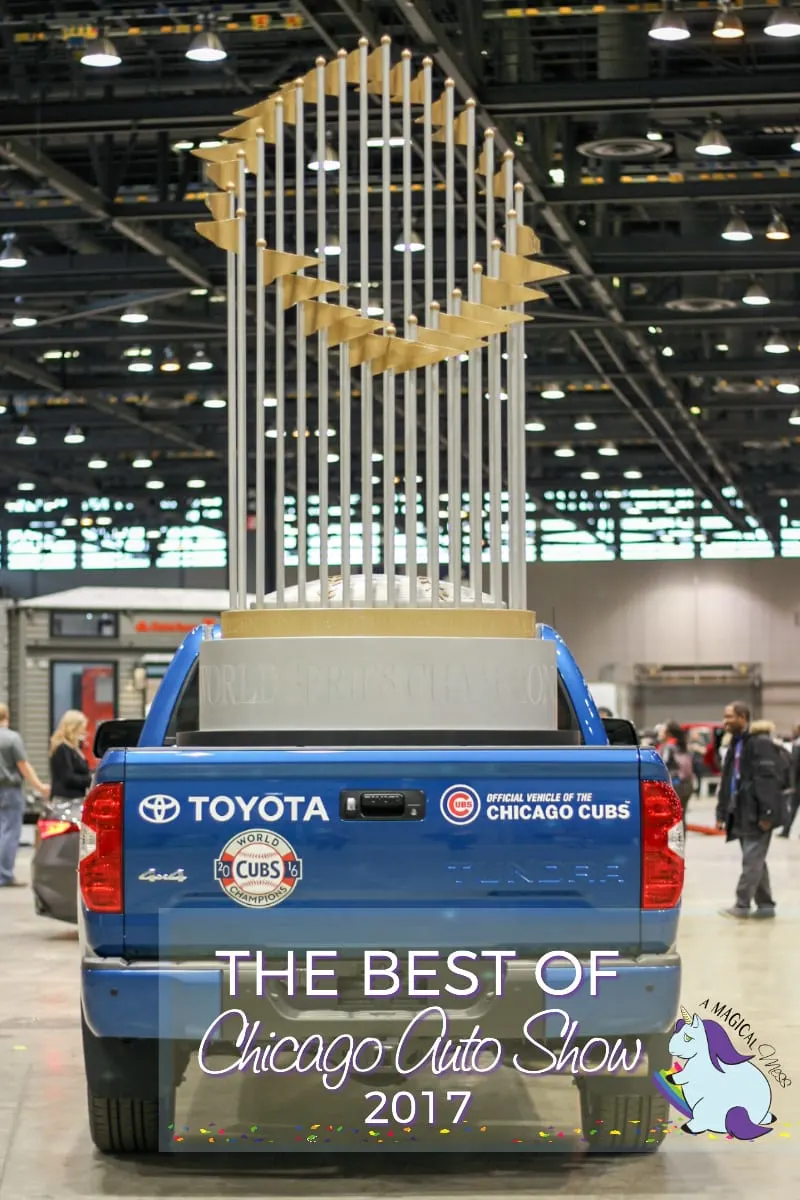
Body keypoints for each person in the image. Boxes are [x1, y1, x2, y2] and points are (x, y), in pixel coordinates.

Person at [715, 701, 783, 920]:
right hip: (741, 811)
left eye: (730, 717)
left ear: (743, 717)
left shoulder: (760, 743)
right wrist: (722, 813)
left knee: (751, 859)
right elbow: (728, 781)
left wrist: (767, 814)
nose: (725, 721)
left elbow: (768, 781)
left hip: (758, 813)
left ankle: (742, 905)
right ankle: (766, 905)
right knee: (755, 860)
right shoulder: (736, 744)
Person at [0, 703, 50, 888]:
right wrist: (40, 786)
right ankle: (4, 875)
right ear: (7, 717)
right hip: (10, 791)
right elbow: (23, 766)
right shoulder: (12, 738)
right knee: (10, 832)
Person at [49, 710, 92, 804]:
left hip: (74, 799)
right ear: (73, 728)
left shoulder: (73, 748)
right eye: (82, 728)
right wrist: (90, 779)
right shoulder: (62, 748)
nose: (84, 731)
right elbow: (68, 777)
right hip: (65, 800)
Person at [660, 721, 694, 830]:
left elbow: (663, 765)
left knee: (672, 817)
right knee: (681, 816)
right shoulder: (682, 745)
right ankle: (681, 844)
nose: (660, 732)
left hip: (675, 784)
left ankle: (673, 845)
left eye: (662, 730)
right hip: (688, 784)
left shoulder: (668, 747)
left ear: (668, 733)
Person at [779, 722, 800, 838]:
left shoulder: (797, 745)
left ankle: (786, 831)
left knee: (792, 808)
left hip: (798, 783)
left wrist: (791, 784)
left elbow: (795, 766)